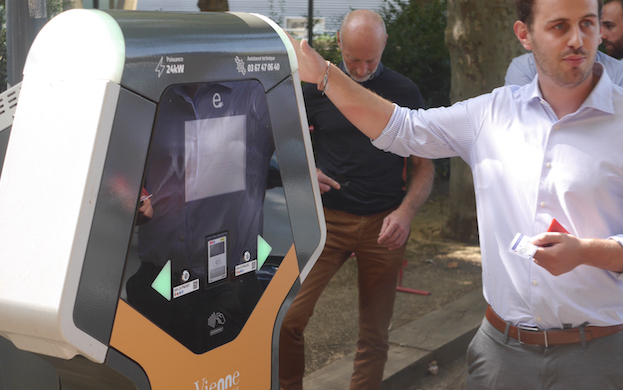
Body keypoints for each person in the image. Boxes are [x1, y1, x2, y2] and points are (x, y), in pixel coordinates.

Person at [287, 0, 623, 388]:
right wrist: (326, 75)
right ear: (524, 35)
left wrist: (588, 252)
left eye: (588, 24)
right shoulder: (489, 115)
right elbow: (402, 129)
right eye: (559, 26)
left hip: (600, 355)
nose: (577, 39)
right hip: (503, 354)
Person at [279, 10, 434, 390]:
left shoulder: (404, 91)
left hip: (385, 223)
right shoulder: (312, 86)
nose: (362, 69)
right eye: (353, 59)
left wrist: (406, 212)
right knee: (287, 320)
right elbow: (281, 142)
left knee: (374, 334)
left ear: (384, 47)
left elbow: (425, 167)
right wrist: (304, 172)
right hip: (327, 222)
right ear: (338, 46)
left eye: (371, 60)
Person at [128, 80, 274, 354]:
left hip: (225, 288)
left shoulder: (253, 91)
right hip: (158, 281)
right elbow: (121, 159)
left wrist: (311, 166)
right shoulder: (148, 90)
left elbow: (300, 142)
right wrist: (130, 191)